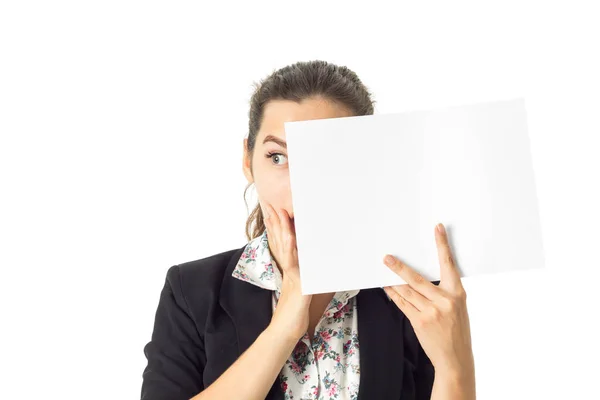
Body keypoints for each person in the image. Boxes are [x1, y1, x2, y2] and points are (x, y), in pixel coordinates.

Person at [141, 60, 476, 400]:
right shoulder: (190, 291)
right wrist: (285, 326)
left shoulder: (416, 297)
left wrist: (455, 365)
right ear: (248, 160)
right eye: (278, 157)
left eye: (331, 158)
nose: (303, 187)